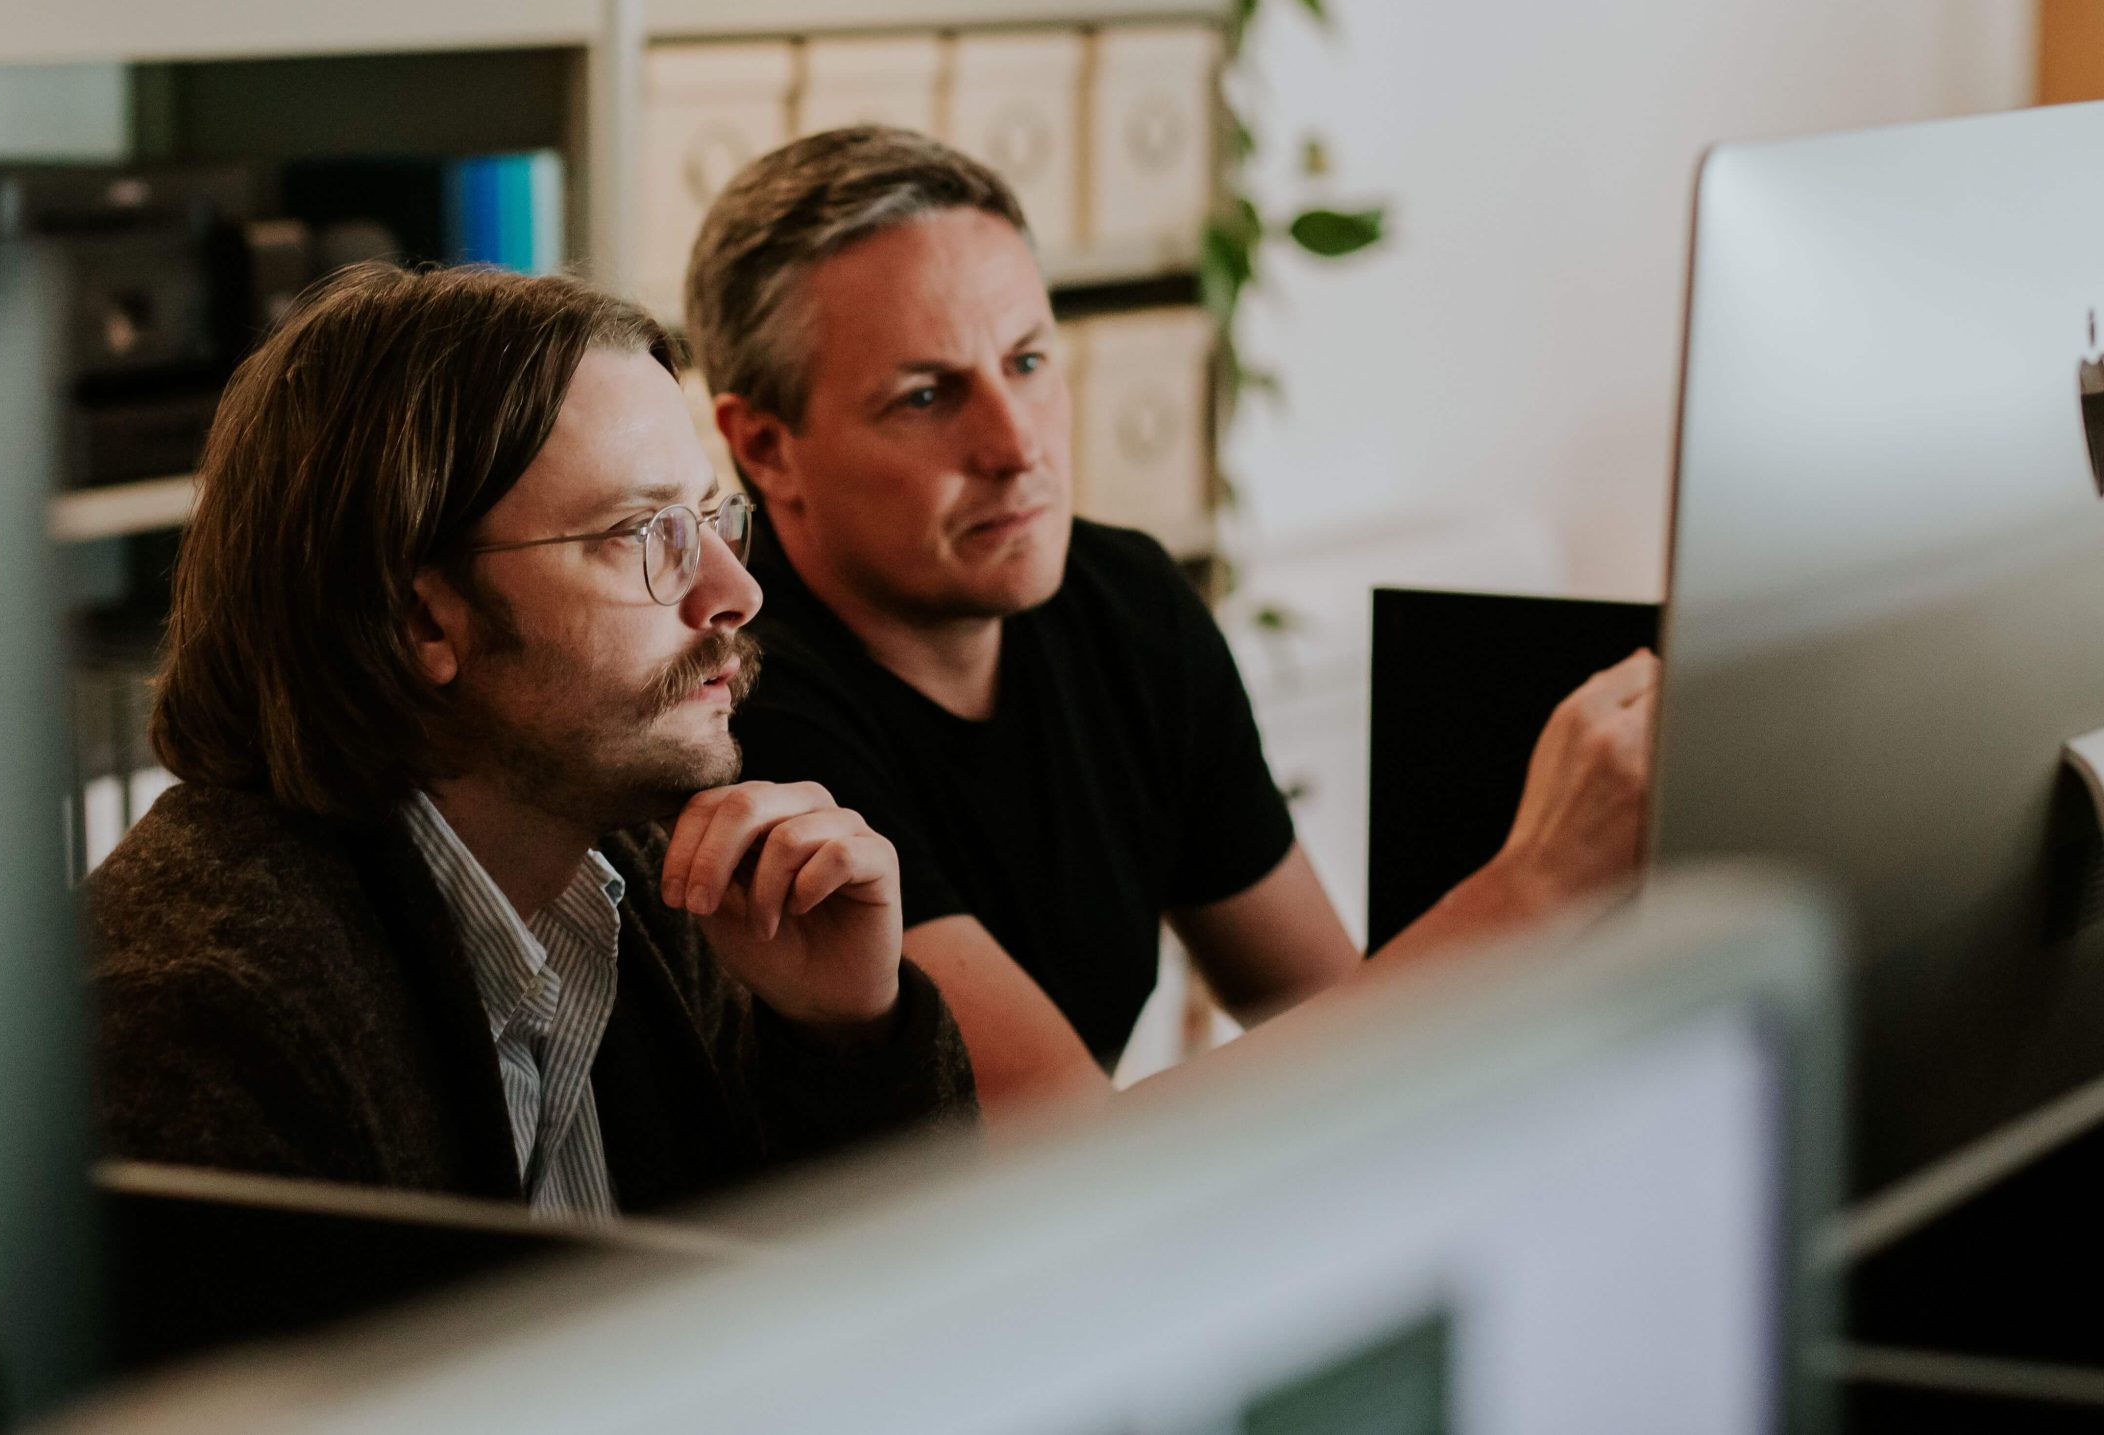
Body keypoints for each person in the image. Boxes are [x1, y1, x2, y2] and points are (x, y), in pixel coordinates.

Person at [685, 126, 1658, 1115]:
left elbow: (1330, 1014)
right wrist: (1536, 884)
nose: (1016, 446)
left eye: (1027, 361)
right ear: (764, 448)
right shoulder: (738, 704)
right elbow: (1065, 1156)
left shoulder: (1128, 605)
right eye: (927, 396)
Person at [87, 263, 974, 1220]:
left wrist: (846, 1040)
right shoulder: (204, 1020)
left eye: (713, 521)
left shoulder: (647, 883)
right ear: (424, 622)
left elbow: (860, 1333)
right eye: (646, 533)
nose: (737, 592)